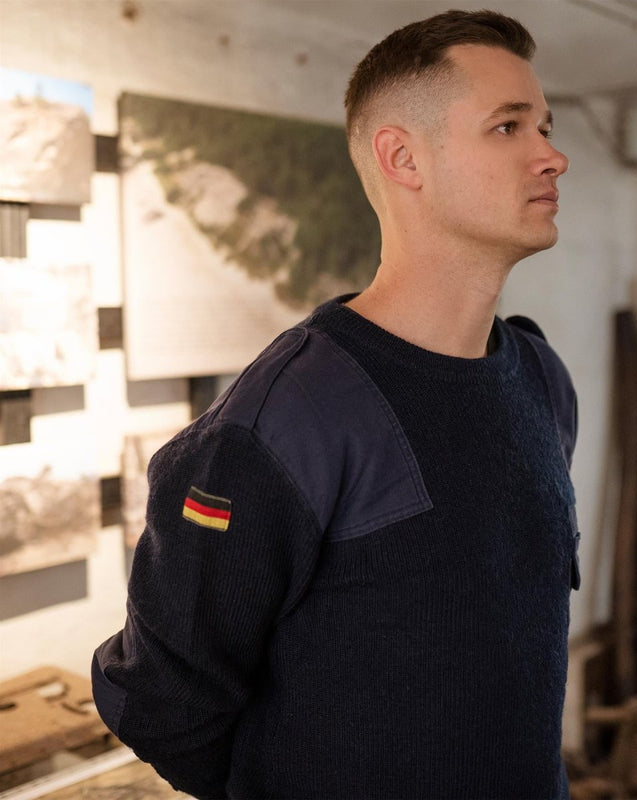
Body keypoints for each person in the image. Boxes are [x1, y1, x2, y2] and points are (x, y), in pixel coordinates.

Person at [92, 8, 579, 799]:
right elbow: (166, 705)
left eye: (546, 126)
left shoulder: (539, 379)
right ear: (403, 159)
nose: (553, 156)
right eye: (508, 127)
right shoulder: (289, 421)